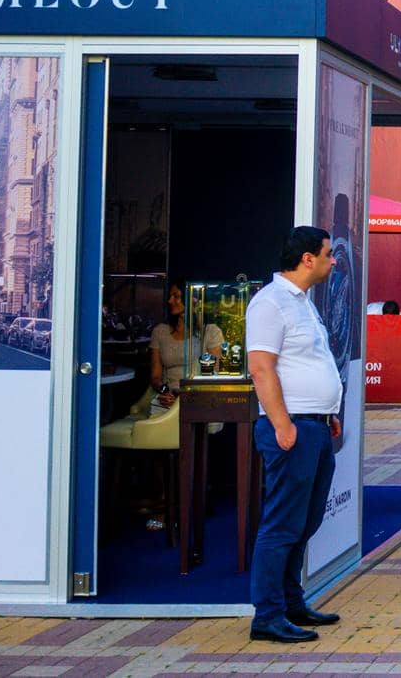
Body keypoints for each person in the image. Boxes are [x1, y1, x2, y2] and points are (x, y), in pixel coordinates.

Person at [246, 226, 346, 643]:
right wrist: (283, 424)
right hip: (292, 430)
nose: (333, 261)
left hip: (315, 427)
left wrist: (328, 412)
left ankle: (291, 602)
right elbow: (262, 368)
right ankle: (267, 616)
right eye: (327, 254)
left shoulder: (304, 303)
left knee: (305, 522)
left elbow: (309, 362)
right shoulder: (270, 304)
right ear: (307, 258)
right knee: (282, 524)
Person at [148, 281, 224, 410]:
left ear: (192, 299)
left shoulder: (210, 332)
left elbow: (216, 372)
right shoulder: (160, 331)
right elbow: (155, 377)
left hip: (199, 397)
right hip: (169, 397)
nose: (170, 301)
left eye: (176, 296)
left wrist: (185, 395)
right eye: (170, 297)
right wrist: (165, 391)